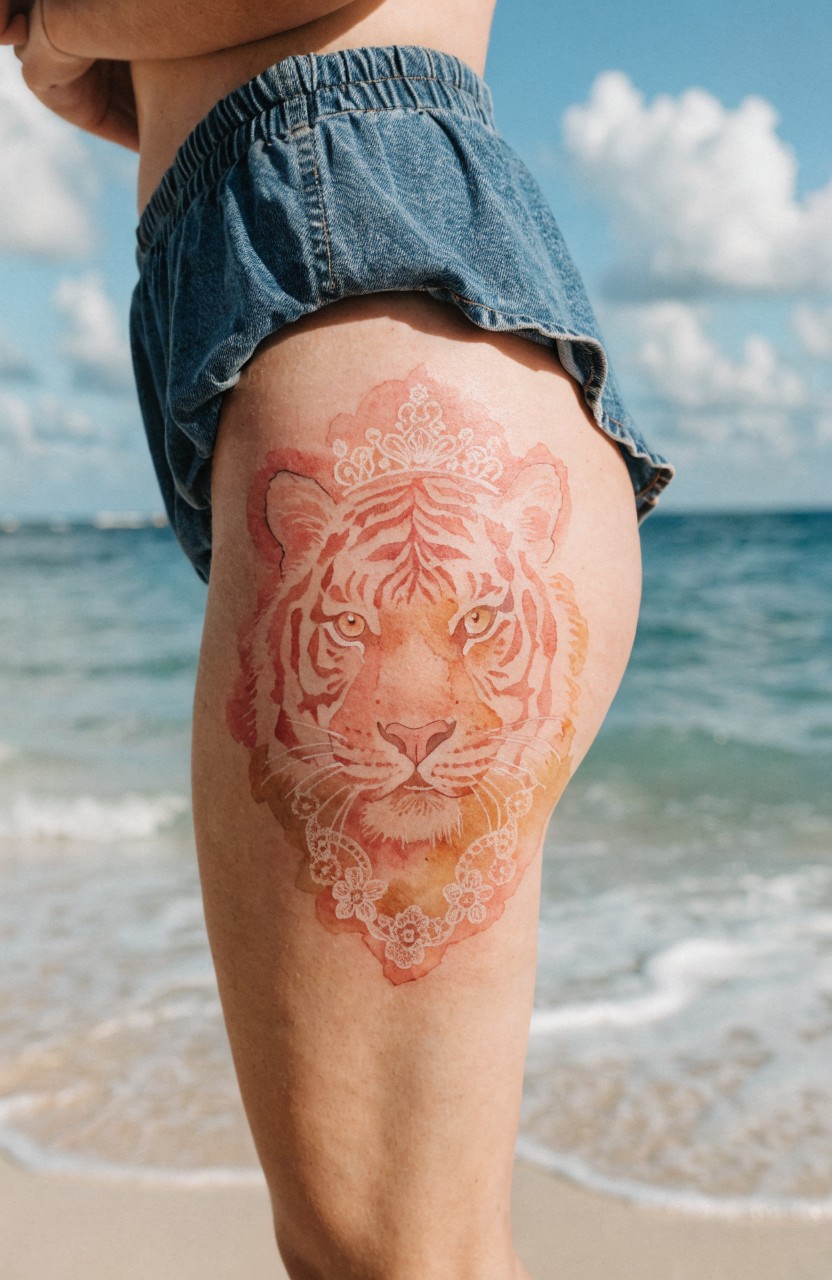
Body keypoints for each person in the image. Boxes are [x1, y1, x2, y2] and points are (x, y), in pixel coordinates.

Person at [2, 3, 673, 1276]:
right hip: (326, 283)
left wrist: (65, 17)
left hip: (366, 321)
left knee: (391, 1255)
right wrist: (125, 69)